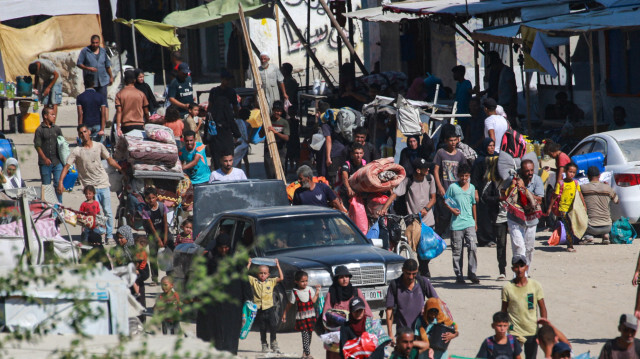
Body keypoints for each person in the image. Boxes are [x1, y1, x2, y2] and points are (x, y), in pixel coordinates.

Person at [59, 124, 122, 242]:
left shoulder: (99, 146)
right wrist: (61, 182)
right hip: (90, 188)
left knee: (107, 211)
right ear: (79, 136)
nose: (83, 134)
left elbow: (109, 160)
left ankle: (109, 236)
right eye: (81, 133)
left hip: (103, 183)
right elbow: (67, 167)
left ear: (89, 132)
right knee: (93, 214)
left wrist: (121, 169)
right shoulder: (77, 151)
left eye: (85, 132)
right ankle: (95, 236)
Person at [196, 233, 252, 355]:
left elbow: (244, 279)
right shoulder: (209, 259)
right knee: (213, 329)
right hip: (213, 302)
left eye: (226, 247)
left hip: (233, 302)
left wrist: (248, 298)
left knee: (231, 330)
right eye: (221, 247)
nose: (224, 250)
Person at [379, 158, 437, 276]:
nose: (428, 169)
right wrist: (384, 209)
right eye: (425, 168)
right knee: (420, 246)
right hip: (414, 220)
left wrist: (426, 209)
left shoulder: (430, 178)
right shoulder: (408, 181)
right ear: (418, 170)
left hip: (428, 219)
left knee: (429, 246)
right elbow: (394, 194)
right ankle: (424, 270)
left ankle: (423, 267)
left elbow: (433, 198)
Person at [502, 255, 548, 359]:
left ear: (526, 267)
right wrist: (503, 328)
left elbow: (542, 308)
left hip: (532, 330)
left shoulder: (535, 285)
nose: (519, 269)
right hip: (514, 331)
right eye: (516, 267)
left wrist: (544, 328)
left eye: (522, 266)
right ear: (512, 269)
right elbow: (504, 311)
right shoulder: (507, 288)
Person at [505, 160, 544, 271]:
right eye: (527, 171)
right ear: (521, 170)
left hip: (531, 219)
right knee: (519, 247)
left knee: (529, 248)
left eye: (532, 170)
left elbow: (540, 200)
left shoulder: (537, 180)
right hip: (515, 219)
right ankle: (518, 273)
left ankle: (525, 272)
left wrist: (524, 190)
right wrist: (513, 188)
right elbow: (504, 194)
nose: (530, 173)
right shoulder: (513, 179)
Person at [444, 162, 480, 284]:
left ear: (469, 175)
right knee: (457, 250)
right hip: (456, 224)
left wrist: (475, 221)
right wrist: (452, 210)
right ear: (457, 175)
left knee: (473, 247)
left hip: (469, 222)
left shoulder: (472, 188)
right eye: (462, 176)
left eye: (466, 176)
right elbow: (446, 200)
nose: (464, 178)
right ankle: (459, 274)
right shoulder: (453, 188)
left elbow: (473, 205)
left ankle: (472, 273)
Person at [385, 259, 438, 340]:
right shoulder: (394, 285)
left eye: (414, 274)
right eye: (408, 273)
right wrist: (390, 333)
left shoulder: (423, 282)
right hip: (403, 334)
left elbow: (436, 302)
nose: (411, 277)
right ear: (403, 270)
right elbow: (389, 310)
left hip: (422, 333)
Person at [433, 126, 467, 236]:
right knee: (443, 216)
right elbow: (436, 170)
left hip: (456, 192)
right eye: (450, 140)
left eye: (455, 140)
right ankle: (438, 236)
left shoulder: (460, 155)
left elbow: (465, 172)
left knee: (456, 216)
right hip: (444, 191)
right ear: (446, 141)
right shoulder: (441, 153)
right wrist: (440, 187)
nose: (453, 143)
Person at [546, 162, 586, 252]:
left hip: (573, 209)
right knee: (568, 226)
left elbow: (580, 195)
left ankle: (572, 241)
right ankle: (570, 245)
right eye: (570, 171)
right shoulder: (561, 183)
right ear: (565, 171)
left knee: (573, 225)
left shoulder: (575, 183)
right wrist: (549, 208)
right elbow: (555, 196)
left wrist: (584, 205)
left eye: (573, 172)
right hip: (563, 209)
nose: (571, 174)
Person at [248, 258, 284, 353]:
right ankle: (264, 345)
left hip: (270, 308)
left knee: (273, 326)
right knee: (262, 328)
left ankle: (274, 343)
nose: (263, 275)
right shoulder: (254, 282)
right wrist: (249, 264)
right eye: (261, 273)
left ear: (268, 274)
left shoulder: (271, 281)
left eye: (265, 273)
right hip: (259, 309)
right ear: (257, 274)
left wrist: (278, 265)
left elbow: (281, 278)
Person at [282, 270, 321, 358]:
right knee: (305, 335)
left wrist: (317, 292)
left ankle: (304, 353)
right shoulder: (295, 292)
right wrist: (284, 313)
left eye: (306, 281)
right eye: (302, 281)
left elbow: (313, 301)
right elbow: (289, 304)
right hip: (302, 317)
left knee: (309, 334)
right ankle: (308, 353)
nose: (304, 283)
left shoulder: (310, 290)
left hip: (311, 316)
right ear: (296, 281)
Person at [206, 79, 241, 169]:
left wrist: (207, 142)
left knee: (218, 164)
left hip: (215, 142)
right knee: (228, 163)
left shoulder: (211, 113)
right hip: (227, 141)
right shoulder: (227, 113)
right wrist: (236, 135)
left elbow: (207, 129)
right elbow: (233, 126)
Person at [581, 166, 619, 245]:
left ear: (588, 176)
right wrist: (607, 188)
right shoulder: (607, 188)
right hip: (607, 226)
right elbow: (617, 201)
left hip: (591, 227)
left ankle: (588, 236)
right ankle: (605, 235)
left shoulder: (583, 188)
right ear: (599, 175)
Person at [472, 138, 498, 248]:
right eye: (489, 146)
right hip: (483, 191)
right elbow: (475, 178)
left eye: (493, 145)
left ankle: (494, 238)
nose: (492, 148)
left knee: (494, 215)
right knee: (484, 216)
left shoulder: (497, 158)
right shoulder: (480, 160)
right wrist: (476, 192)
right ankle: (484, 240)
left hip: (494, 190)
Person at [34, 107, 63, 203]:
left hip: (57, 161)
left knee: (58, 185)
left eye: (54, 114)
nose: (54, 116)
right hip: (44, 163)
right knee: (46, 187)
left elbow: (62, 144)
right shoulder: (39, 130)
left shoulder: (57, 129)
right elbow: (37, 146)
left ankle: (59, 206)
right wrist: (44, 158)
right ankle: (48, 207)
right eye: (52, 114)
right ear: (45, 116)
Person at [140, 186, 168, 285]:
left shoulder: (162, 206)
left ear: (156, 197)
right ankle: (155, 279)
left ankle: (169, 277)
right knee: (153, 257)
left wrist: (165, 237)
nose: (151, 200)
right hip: (153, 235)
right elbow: (151, 227)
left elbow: (165, 223)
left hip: (163, 231)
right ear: (146, 199)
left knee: (169, 254)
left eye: (153, 198)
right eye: (148, 198)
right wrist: (159, 240)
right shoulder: (145, 210)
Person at [316, 101, 348, 182]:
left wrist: (328, 157)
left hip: (334, 153)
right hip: (342, 149)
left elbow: (328, 139)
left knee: (331, 178)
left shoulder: (324, 124)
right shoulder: (334, 121)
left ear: (319, 113)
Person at [76, 35, 113, 100]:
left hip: (102, 81)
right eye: (93, 43)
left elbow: (107, 65)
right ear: (91, 42)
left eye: (96, 43)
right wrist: (88, 68)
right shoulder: (85, 51)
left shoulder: (103, 51)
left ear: (99, 42)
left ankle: (104, 110)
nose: (95, 44)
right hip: (91, 82)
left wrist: (111, 77)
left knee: (103, 101)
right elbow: (79, 63)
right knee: (92, 101)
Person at [484, 51, 517, 123]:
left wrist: (512, 103)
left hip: (507, 104)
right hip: (500, 103)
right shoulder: (495, 72)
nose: (493, 68)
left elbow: (513, 89)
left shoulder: (507, 72)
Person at [116, 70, 149, 136]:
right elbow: (146, 112)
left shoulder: (119, 94)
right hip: (139, 125)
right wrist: (147, 123)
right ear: (134, 80)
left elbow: (119, 112)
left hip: (126, 126)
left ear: (124, 81)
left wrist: (118, 128)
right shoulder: (141, 94)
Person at [76, 74, 107, 143]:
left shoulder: (80, 97)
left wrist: (79, 129)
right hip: (98, 124)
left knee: (87, 147)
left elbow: (80, 114)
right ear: (93, 84)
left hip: (86, 125)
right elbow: (103, 113)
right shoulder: (100, 96)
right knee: (98, 148)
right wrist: (102, 129)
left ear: (84, 84)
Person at [263, 101, 290, 179]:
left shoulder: (284, 122)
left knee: (281, 169)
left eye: (279, 111)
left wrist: (275, 132)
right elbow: (261, 135)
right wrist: (264, 126)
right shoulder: (268, 120)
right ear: (272, 110)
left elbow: (287, 138)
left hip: (280, 148)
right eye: (276, 110)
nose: (277, 113)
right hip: (269, 148)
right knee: (270, 170)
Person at [452, 66, 473, 133]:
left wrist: (475, 91)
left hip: (464, 115)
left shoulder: (467, 83)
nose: (453, 75)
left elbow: (470, 91)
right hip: (458, 114)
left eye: (455, 73)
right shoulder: (458, 84)